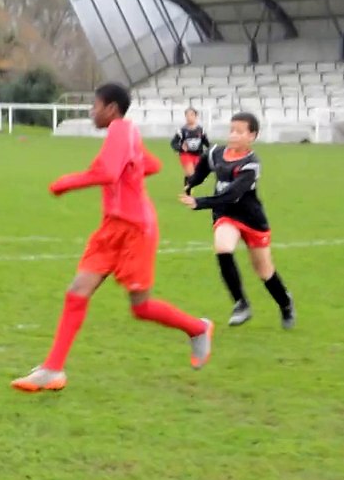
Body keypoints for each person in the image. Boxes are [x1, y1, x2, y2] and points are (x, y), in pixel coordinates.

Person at [11, 82, 214, 394]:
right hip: (112, 227)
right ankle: (52, 369)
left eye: (95, 106)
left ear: (111, 108)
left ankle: (198, 328)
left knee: (141, 307)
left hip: (136, 229)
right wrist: (130, 171)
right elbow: (152, 164)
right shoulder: (126, 132)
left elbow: (107, 172)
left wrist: (67, 182)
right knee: (77, 291)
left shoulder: (121, 129)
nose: (91, 112)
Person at [180, 112, 295, 329]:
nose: (233, 135)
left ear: (252, 136)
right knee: (223, 248)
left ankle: (285, 303)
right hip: (226, 215)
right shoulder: (216, 152)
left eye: (239, 132)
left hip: (251, 218)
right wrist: (192, 182)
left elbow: (232, 195)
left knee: (264, 271)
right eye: (231, 130)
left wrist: (199, 202)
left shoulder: (251, 164)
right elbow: (204, 165)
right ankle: (241, 304)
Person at [170, 107, 209, 185]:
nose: (189, 117)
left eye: (191, 115)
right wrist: (180, 148)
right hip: (186, 155)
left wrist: (212, 149)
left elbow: (206, 142)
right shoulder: (182, 131)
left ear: (196, 116)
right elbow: (173, 143)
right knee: (191, 174)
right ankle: (190, 188)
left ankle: (187, 189)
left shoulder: (201, 130)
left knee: (192, 177)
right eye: (187, 115)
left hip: (198, 155)